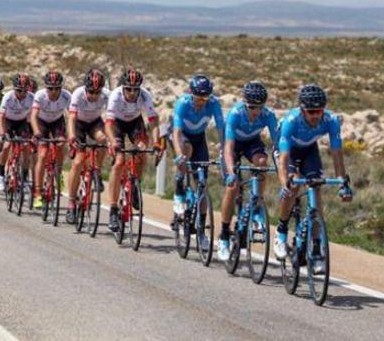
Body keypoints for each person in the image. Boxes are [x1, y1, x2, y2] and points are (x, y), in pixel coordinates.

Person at [274, 84, 352, 264]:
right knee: (293, 185)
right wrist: (284, 183)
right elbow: (284, 159)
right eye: (311, 112)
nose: (316, 115)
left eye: (319, 111)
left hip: (309, 149)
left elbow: (337, 154)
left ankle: (316, 246)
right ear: (302, 110)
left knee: (315, 188)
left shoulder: (331, 121)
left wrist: (343, 184)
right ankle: (281, 231)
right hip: (288, 151)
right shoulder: (290, 122)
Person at [217, 81, 279, 261]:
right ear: (245, 104)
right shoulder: (235, 114)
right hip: (233, 144)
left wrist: (281, 165)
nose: (256, 111)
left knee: (262, 162)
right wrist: (230, 173)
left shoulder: (268, 115)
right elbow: (228, 148)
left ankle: (257, 205)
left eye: (260, 107)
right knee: (232, 186)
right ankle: (224, 234)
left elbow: (278, 145)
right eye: (252, 107)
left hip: (252, 142)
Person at [169, 74, 225, 252]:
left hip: (199, 138)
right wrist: (179, 155)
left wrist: (225, 152)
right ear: (191, 93)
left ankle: (201, 232)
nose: (202, 101)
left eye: (205, 97)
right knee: (186, 151)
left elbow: (222, 129)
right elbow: (177, 132)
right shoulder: (183, 103)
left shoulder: (214, 104)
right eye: (199, 97)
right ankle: (179, 186)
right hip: (181, 136)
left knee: (202, 184)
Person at [104, 69, 159, 232]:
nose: (132, 93)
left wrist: (157, 143)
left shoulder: (144, 95)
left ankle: (135, 184)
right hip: (117, 125)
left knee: (141, 151)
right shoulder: (115, 96)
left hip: (135, 123)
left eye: (136, 89)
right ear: (123, 87)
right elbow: (108, 124)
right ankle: (113, 210)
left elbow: (154, 121)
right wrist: (113, 142)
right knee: (119, 162)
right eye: (128, 89)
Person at [64, 69, 109, 224]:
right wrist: (71, 136)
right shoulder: (77, 94)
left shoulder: (106, 95)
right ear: (86, 88)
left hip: (95, 123)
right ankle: (71, 203)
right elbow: (71, 118)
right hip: (78, 125)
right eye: (91, 92)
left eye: (97, 92)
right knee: (77, 162)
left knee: (103, 139)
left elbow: (110, 119)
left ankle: (97, 169)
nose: (94, 95)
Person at [30, 71, 71, 210]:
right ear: (46, 88)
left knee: (60, 144)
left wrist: (70, 136)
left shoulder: (66, 96)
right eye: (50, 88)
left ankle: (58, 173)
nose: (53, 92)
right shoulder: (40, 96)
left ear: (61, 87)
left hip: (57, 122)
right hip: (41, 122)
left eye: (57, 88)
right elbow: (33, 116)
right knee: (42, 155)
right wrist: (36, 132)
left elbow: (72, 118)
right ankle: (37, 192)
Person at [0, 74, 35, 184]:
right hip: (8, 122)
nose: (22, 94)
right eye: (19, 91)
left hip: (22, 122)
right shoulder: (8, 97)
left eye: (25, 91)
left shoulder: (32, 98)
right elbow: (1, 117)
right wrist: (2, 133)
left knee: (26, 146)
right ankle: (1, 174)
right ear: (14, 89)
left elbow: (34, 117)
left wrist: (34, 134)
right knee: (7, 145)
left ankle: (24, 177)